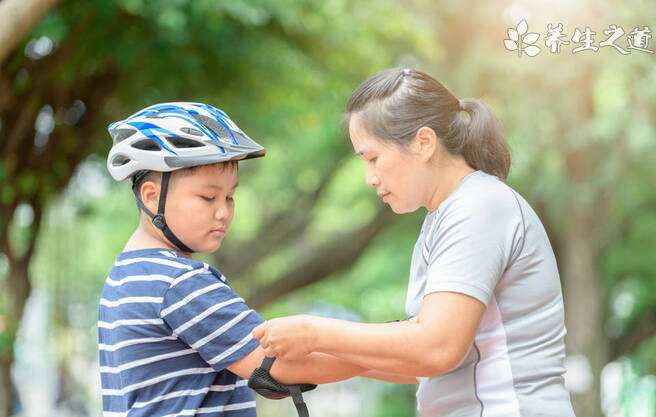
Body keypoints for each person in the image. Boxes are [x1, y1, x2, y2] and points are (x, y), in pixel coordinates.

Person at [253, 68, 577, 417]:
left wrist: (315, 332)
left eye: (373, 158)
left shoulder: (478, 208)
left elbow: (437, 348)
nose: (370, 178)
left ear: (424, 142)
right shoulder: (447, 215)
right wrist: (318, 360)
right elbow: (426, 361)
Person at [98, 102, 365, 417]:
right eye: (208, 197)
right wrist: (399, 350)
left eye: (230, 196)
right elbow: (281, 366)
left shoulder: (124, 277)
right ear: (151, 195)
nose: (223, 211)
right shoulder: (180, 282)